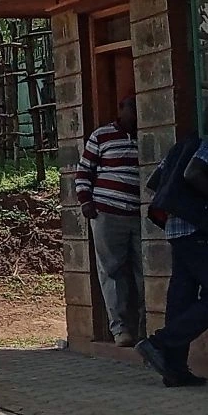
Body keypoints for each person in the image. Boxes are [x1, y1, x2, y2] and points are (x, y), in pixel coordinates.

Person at [138, 100, 208, 387]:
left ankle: (174, 370)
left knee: (181, 301)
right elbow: (193, 173)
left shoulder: (181, 144)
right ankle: (159, 343)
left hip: (176, 228)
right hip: (200, 227)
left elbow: (155, 182)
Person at [74, 94, 143, 345]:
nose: (135, 115)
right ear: (121, 109)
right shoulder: (102, 136)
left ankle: (146, 327)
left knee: (144, 272)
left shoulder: (145, 136)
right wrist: (86, 201)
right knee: (112, 271)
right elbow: (84, 171)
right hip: (107, 212)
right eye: (132, 109)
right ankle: (120, 329)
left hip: (139, 214)